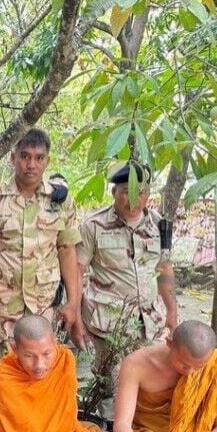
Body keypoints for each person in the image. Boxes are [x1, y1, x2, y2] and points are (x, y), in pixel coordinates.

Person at [0, 315, 164, 432]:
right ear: (15, 349)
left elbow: (64, 424)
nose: (40, 365)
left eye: (46, 353)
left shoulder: (64, 361)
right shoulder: (3, 381)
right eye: (29, 356)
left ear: (56, 344)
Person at [0, 128, 82, 369]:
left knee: (42, 374)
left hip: (44, 306)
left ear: (47, 161)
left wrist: (73, 303)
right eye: (25, 156)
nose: (31, 164)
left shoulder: (59, 201)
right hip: (2, 306)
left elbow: (68, 251)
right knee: (3, 375)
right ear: (13, 158)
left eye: (39, 158)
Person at [76, 161, 179, 376]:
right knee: (110, 389)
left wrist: (171, 310)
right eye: (126, 191)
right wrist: (76, 320)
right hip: (109, 326)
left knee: (150, 385)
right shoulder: (93, 226)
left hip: (150, 325)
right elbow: (76, 274)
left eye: (141, 192)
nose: (134, 199)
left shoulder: (159, 225)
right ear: (114, 192)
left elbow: (164, 268)